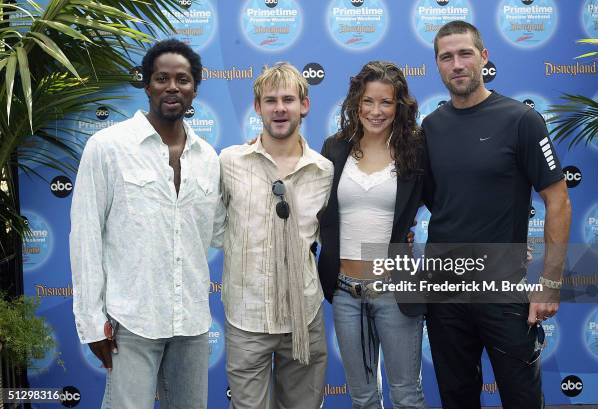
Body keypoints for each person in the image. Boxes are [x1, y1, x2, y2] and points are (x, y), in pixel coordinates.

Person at [422, 21, 571, 409]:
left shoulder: (521, 119)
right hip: (444, 291)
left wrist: (550, 283)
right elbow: (439, 202)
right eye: (446, 57)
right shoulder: (431, 127)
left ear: (484, 57)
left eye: (465, 53)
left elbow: (558, 202)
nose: (456, 64)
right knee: (457, 399)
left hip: (503, 291)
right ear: (437, 65)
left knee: (522, 398)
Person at [70, 39, 224, 409]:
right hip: (131, 321)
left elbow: (220, 231)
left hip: (191, 322)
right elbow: (86, 236)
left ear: (195, 89)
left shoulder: (208, 158)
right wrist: (92, 323)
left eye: (183, 80)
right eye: (162, 78)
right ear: (146, 84)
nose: (173, 87)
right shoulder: (107, 147)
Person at [219, 62, 333, 409]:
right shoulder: (229, 162)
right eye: (270, 100)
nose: (280, 108)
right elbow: (211, 226)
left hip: (304, 318)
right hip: (246, 316)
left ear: (305, 105)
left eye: (288, 99)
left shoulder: (323, 170)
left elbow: (328, 237)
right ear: (258, 107)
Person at [318, 61, 428, 409]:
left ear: (399, 106)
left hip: (395, 290)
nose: (376, 111)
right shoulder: (335, 148)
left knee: (406, 396)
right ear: (356, 103)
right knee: (363, 398)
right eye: (368, 101)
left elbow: (449, 205)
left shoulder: (416, 151)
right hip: (345, 291)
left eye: (386, 102)